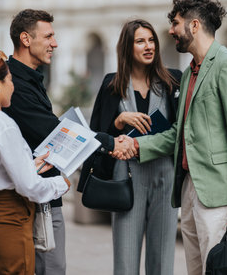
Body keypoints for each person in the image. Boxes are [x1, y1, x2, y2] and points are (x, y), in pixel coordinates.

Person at [118, 0, 227, 275]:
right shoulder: (189, 73)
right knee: (197, 270)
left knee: (221, 269)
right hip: (189, 188)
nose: (171, 31)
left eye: (175, 23)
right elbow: (180, 134)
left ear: (194, 25)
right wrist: (136, 145)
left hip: (219, 194)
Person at [2, 9, 130, 275]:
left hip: (43, 196)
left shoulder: (29, 79)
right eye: (48, 36)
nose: (55, 43)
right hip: (33, 200)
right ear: (26, 39)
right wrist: (111, 143)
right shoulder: (14, 84)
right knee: (51, 268)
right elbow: (49, 130)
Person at [78, 19, 181, 275]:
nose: (149, 46)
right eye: (140, 41)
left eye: (151, 40)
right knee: (125, 257)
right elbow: (97, 135)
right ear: (127, 47)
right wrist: (118, 120)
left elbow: (181, 130)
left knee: (163, 256)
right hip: (126, 175)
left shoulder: (172, 81)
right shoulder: (111, 85)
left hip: (164, 173)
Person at [0, 51, 71, 274]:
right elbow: (30, 188)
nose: (13, 86)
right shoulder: (4, 126)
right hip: (10, 219)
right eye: (9, 80)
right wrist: (62, 184)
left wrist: (30, 165)